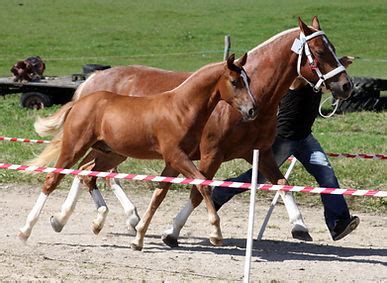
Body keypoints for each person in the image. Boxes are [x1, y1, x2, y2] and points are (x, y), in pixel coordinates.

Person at [211, 57, 359, 241]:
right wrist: (333, 67)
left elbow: (330, 84)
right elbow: (304, 78)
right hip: (282, 139)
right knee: (256, 177)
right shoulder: (297, 79)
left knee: (327, 176)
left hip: (305, 138)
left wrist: (338, 67)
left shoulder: (319, 81)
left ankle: (338, 224)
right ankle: (219, 193)